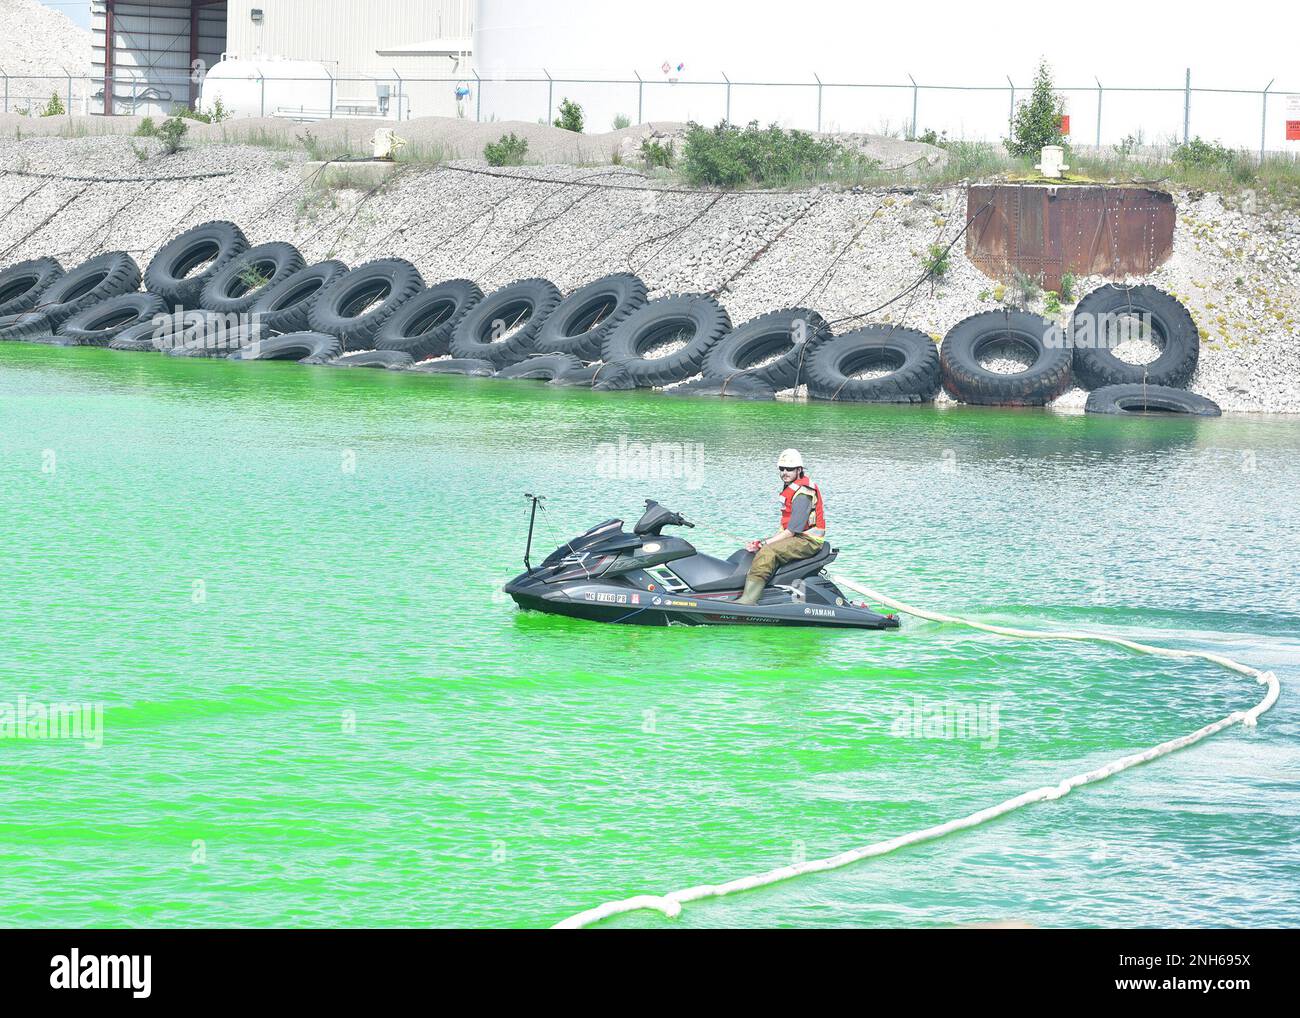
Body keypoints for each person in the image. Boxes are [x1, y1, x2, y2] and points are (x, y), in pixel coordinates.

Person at [736, 449, 826, 605]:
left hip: (808, 541)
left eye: (790, 469)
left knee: (768, 551)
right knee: (755, 550)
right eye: (782, 469)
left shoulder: (803, 492)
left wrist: (765, 544)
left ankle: (748, 600)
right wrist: (761, 541)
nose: (785, 472)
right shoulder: (791, 488)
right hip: (797, 538)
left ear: (799, 470)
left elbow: (792, 531)